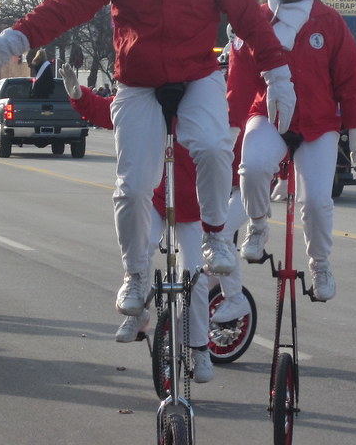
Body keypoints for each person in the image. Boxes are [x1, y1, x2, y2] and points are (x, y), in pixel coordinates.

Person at [0, 0, 296, 326]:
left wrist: (278, 74)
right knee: (133, 188)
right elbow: (66, 6)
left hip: (197, 77)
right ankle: (136, 275)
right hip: (137, 85)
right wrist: (14, 41)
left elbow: (250, 21)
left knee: (215, 146)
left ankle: (217, 234)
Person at [59, 63, 250, 367]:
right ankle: (139, 315)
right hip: (158, 200)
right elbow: (110, 113)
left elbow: (230, 157)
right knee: (142, 245)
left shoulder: (208, 111)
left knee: (196, 277)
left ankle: (199, 348)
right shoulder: (149, 104)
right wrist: (77, 95)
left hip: (194, 213)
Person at [229, 0, 356, 302]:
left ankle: (320, 263)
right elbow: (240, 77)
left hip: (318, 123)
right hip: (269, 116)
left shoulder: (329, 21)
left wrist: (355, 125)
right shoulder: (255, 21)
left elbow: (349, 77)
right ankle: (258, 225)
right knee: (253, 167)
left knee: (318, 201)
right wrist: (231, 121)